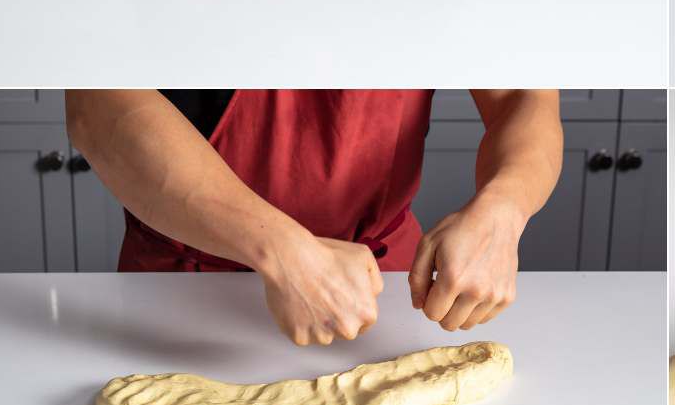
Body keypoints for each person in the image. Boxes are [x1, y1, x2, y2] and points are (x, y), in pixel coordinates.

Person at [65, 90, 562, 344]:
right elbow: (97, 104)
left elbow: (526, 97)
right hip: (185, 297)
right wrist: (279, 249)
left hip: (382, 293)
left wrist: (504, 207)